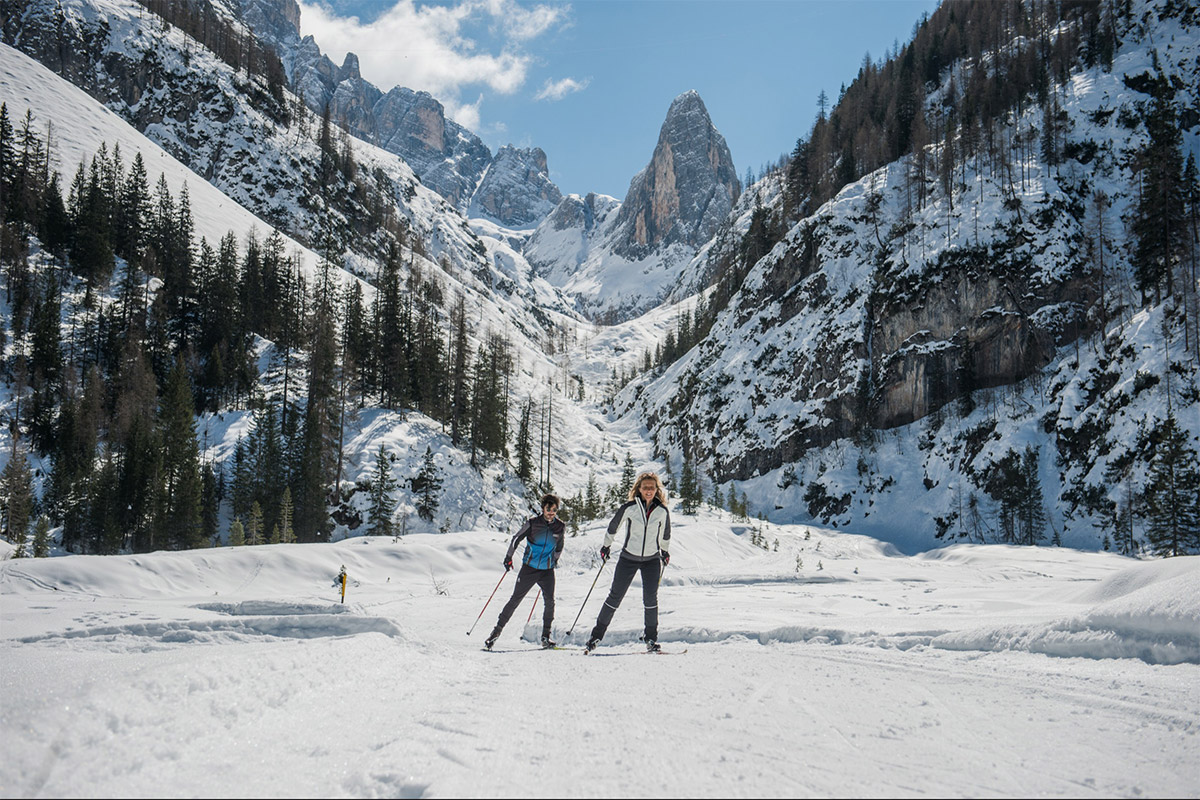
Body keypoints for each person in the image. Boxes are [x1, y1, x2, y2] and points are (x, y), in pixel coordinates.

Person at [585, 471, 671, 653]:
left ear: (657, 490)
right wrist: (606, 546)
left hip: (652, 560)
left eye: (652, 487)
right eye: (645, 487)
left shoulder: (662, 511)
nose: (649, 490)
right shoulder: (630, 507)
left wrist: (665, 551)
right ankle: (596, 637)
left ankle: (651, 639)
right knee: (615, 596)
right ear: (639, 489)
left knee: (650, 599)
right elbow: (613, 526)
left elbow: (665, 533)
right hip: (628, 559)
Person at [485, 494, 565, 650]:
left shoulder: (560, 526)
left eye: (554, 510)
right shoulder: (533, 524)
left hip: (547, 571)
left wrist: (554, 560)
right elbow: (516, 539)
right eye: (548, 509)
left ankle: (545, 637)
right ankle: (495, 634)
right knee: (515, 600)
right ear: (543, 508)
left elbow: (560, 546)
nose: (551, 512)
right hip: (529, 569)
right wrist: (508, 557)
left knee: (550, 602)